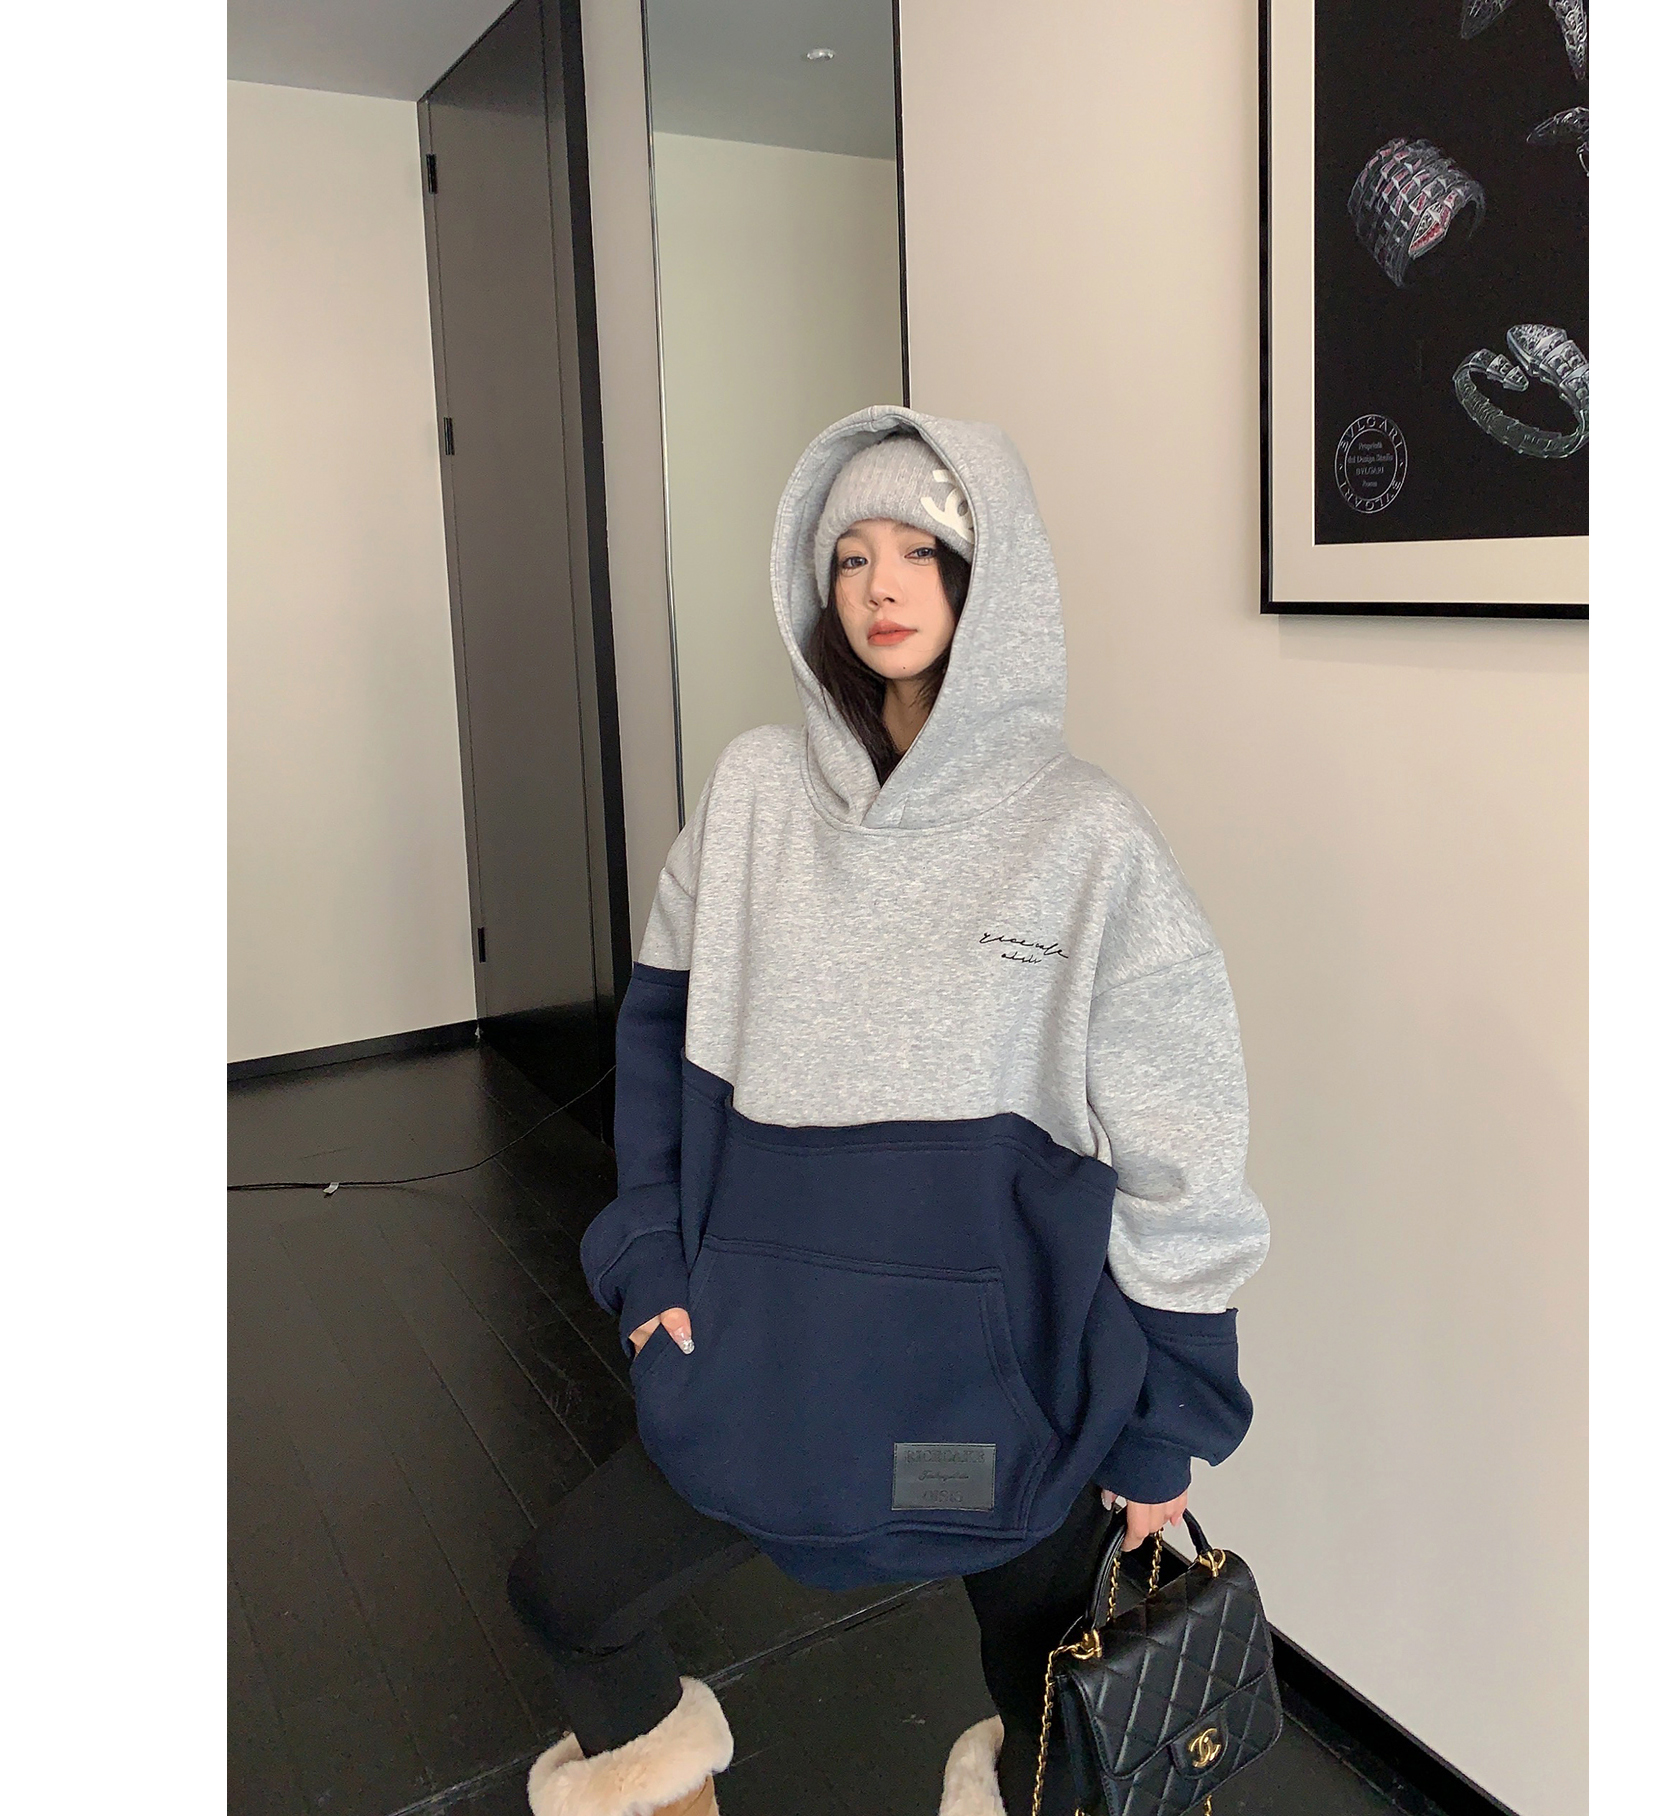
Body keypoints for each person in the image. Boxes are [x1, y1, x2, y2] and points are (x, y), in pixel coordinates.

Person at [506, 407, 1270, 1816]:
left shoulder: (1088, 836)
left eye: (922, 549)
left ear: (995, 579)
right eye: (850, 555)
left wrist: (1168, 1413)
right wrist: (650, 1256)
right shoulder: (752, 794)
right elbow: (662, 1039)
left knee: (1064, 1713)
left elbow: (1185, 1150)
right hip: (766, 1367)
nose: (881, 584)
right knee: (568, 1593)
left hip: (1008, 1397)